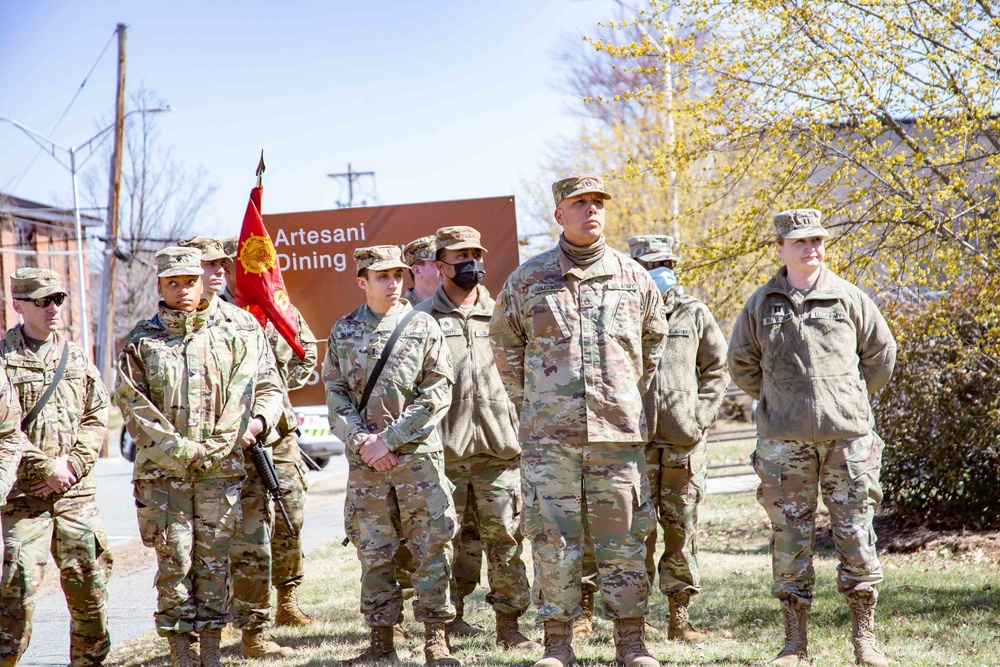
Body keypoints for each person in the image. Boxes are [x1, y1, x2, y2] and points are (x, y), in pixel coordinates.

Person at [490, 176, 668, 667]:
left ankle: (631, 644)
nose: (591, 211)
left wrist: (623, 395)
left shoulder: (634, 277)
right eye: (579, 203)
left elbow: (653, 344)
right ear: (558, 215)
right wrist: (537, 406)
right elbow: (505, 348)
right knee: (552, 539)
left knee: (626, 537)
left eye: (597, 203)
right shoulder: (528, 280)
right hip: (551, 440)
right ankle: (557, 644)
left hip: (618, 435)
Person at [728, 209, 896, 667]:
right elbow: (741, 363)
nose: (811, 248)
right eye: (800, 242)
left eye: (817, 240)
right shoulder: (762, 303)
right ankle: (794, 644)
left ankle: (865, 640)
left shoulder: (848, 298)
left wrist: (847, 400)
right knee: (790, 539)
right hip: (784, 444)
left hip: (848, 441)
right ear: (780, 248)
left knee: (856, 534)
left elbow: (880, 355)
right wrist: (780, 400)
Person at [117, 246, 255, 667]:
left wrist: (212, 448)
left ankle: (211, 649)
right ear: (159, 286)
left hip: (218, 472)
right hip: (163, 477)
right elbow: (132, 404)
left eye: (189, 281)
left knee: (214, 562)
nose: (182, 290)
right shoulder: (141, 341)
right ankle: (181, 650)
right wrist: (182, 451)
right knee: (175, 563)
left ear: (202, 281)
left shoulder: (230, 335)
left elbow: (242, 395)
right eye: (172, 283)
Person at [323, 245, 459, 667]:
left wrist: (391, 439)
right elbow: (335, 394)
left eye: (398, 274)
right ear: (362, 281)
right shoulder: (343, 330)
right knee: (375, 551)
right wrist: (364, 441)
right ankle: (382, 644)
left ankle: (436, 641)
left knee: (430, 549)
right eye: (382, 275)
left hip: (417, 461)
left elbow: (437, 391)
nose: (393, 282)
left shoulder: (423, 326)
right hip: (368, 466)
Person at [416, 226, 537, 649]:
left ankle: (509, 625)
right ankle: (446, 625)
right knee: (447, 544)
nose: (470, 262)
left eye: (475, 253)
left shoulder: (504, 312)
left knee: (506, 541)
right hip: (445, 453)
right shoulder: (422, 320)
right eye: (459, 255)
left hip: (500, 450)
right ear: (439, 264)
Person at [179, 236, 291, 660]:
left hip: (242, 459)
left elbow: (269, 383)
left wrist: (259, 420)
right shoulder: (159, 329)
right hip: (188, 465)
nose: (218, 271)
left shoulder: (242, 323)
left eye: (222, 264)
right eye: (208, 264)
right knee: (191, 554)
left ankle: (255, 634)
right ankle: (195, 638)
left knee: (252, 546)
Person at [0, 268, 114, 667]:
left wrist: (74, 464)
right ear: (18, 305)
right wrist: (44, 467)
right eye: (43, 301)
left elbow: (97, 413)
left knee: (91, 587)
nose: (53, 309)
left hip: (75, 494)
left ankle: (88, 663)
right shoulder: (3, 360)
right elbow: (4, 430)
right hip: (25, 499)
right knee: (17, 593)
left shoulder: (77, 356)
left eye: (58, 300)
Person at [627, 235, 729, 642]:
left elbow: (717, 370)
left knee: (680, 531)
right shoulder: (619, 314)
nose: (659, 271)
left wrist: (698, 418)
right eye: (650, 265)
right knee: (634, 535)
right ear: (635, 269)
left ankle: (679, 618)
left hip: (683, 446)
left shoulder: (693, 312)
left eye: (665, 262)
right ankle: (632, 620)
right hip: (633, 444)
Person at [221, 236, 320, 628]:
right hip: (230, 437)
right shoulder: (214, 313)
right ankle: (237, 607)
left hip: (279, 435)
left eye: (257, 262)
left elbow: (306, 349)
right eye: (240, 263)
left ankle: (288, 599)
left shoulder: (278, 307)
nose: (249, 270)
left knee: (288, 515)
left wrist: (277, 386)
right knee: (239, 525)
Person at [403, 235, 443, 304]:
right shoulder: (402, 310)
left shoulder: (455, 302)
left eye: (444, 261)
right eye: (437, 262)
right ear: (417, 271)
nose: (443, 266)